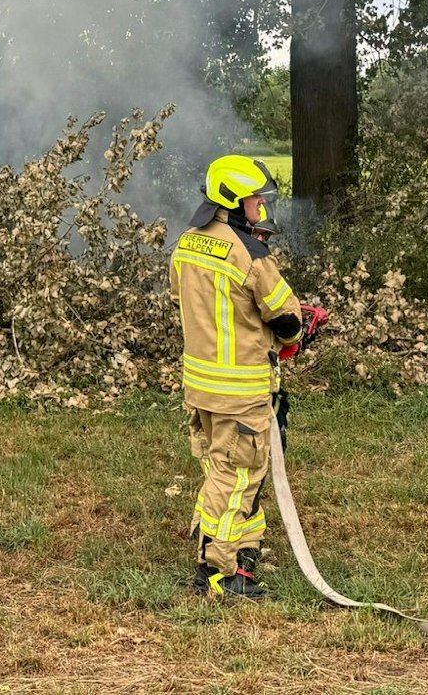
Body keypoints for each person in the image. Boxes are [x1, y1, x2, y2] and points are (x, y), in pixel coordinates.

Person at [172, 154, 326, 598]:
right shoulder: (251, 254)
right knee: (237, 475)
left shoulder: (186, 244)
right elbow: (287, 320)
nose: (262, 208)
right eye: (257, 200)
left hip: (200, 386)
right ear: (234, 202)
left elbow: (191, 303)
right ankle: (219, 571)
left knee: (224, 470)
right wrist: (301, 328)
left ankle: (245, 546)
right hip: (240, 390)